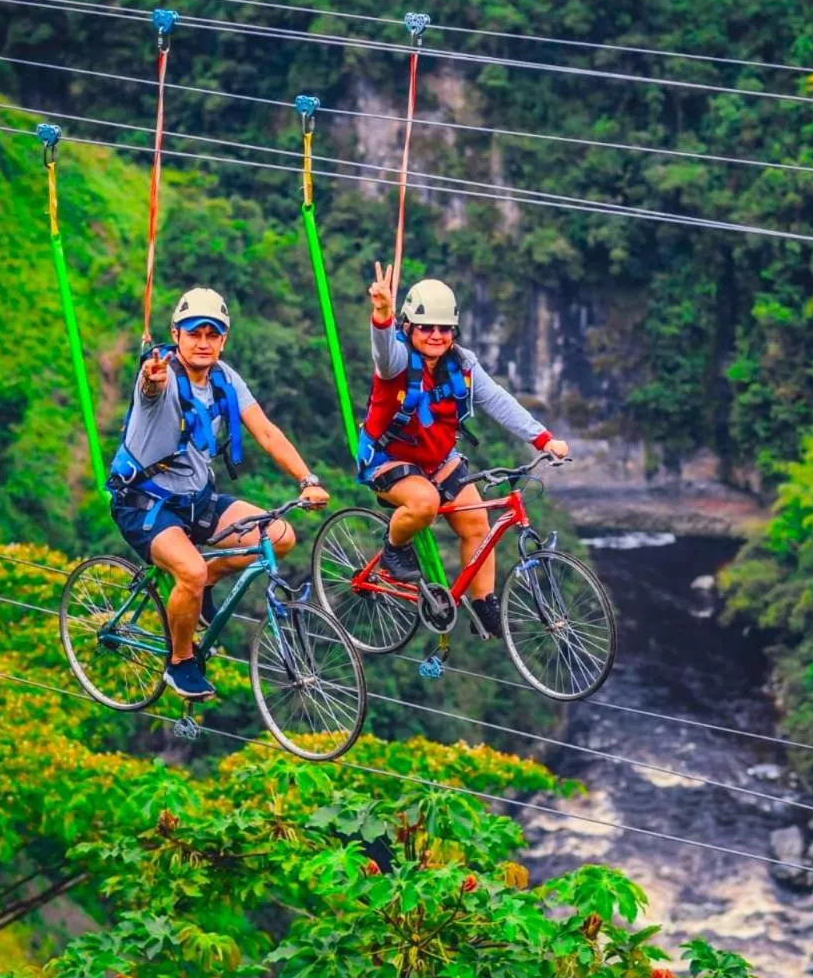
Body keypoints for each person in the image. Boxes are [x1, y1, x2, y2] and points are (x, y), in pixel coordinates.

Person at [108, 286, 328, 701]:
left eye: (213, 335)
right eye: (194, 333)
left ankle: (205, 582)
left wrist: (307, 479)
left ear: (224, 340)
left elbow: (266, 432)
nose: (203, 343)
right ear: (176, 334)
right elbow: (149, 388)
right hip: (143, 503)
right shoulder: (161, 374)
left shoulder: (225, 379)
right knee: (189, 571)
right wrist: (150, 379)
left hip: (197, 499)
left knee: (280, 536)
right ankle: (180, 662)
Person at [357, 264, 569, 637]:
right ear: (409, 327)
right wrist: (382, 315)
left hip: (439, 460)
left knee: (477, 525)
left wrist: (543, 439)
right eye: (426, 327)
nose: (436, 336)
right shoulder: (398, 361)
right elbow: (383, 352)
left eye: (444, 328)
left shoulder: (462, 363)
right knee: (424, 503)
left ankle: (483, 605)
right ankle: (393, 547)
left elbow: (498, 401)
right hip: (389, 458)